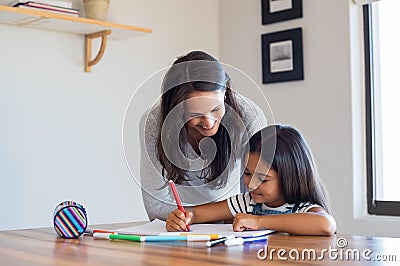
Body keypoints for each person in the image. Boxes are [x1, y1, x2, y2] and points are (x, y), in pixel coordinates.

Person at [140, 51, 267, 221]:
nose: (208, 123)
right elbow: (155, 205)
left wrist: (232, 215)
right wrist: (181, 219)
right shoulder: (155, 122)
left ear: (225, 92)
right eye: (195, 114)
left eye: (215, 109)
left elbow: (260, 193)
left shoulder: (250, 117)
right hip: (181, 225)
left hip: (234, 223)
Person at [166, 125, 336, 235]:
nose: (251, 184)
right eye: (247, 173)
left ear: (290, 177)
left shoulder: (302, 209)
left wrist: (259, 221)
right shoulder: (246, 203)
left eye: (263, 179)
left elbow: (326, 224)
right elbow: (197, 213)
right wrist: (184, 217)